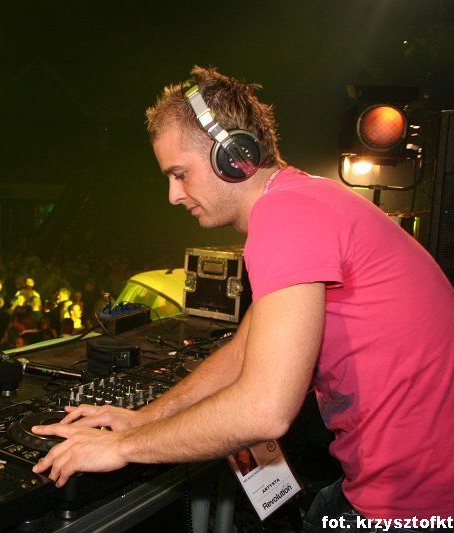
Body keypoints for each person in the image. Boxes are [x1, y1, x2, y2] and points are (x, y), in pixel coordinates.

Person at [31, 66, 454, 529]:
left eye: (179, 174)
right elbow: (241, 352)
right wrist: (145, 418)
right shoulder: (305, 201)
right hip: (407, 481)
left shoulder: (285, 216)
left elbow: (265, 411)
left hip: (418, 502)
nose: (173, 195)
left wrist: (121, 448)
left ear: (232, 155)